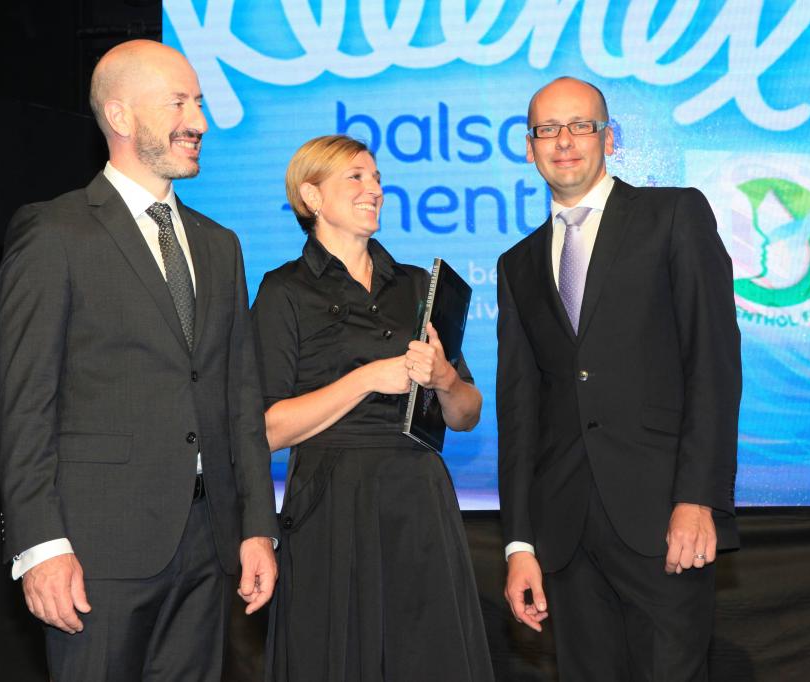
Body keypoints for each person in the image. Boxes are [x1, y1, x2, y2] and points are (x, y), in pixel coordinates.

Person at [0, 39, 278, 680]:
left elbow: (241, 399)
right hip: (94, 548)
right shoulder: (55, 232)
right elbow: (25, 403)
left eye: (199, 103)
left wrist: (258, 526)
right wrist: (39, 544)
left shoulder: (220, 244)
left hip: (208, 544)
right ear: (120, 116)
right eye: (179, 103)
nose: (200, 121)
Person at [496, 77, 742, 681]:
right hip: (565, 536)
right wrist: (520, 545)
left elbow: (713, 364)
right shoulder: (517, 264)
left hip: (665, 519)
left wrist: (698, 498)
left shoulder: (674, 214)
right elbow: (520, 414)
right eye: (547, 130)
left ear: (609, 138)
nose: (564, 141)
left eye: (580, 125)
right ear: (529, 148)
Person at [252, 134, 494, 682]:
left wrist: (445, 378)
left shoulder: (417, 285)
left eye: (378, 178)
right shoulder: (283, 291)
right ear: (311, 197)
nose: (375, 189)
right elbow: (266, 430)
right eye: (356, 177)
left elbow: (467, 415)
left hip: (419, 499)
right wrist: (365, 380)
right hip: (333, 503)